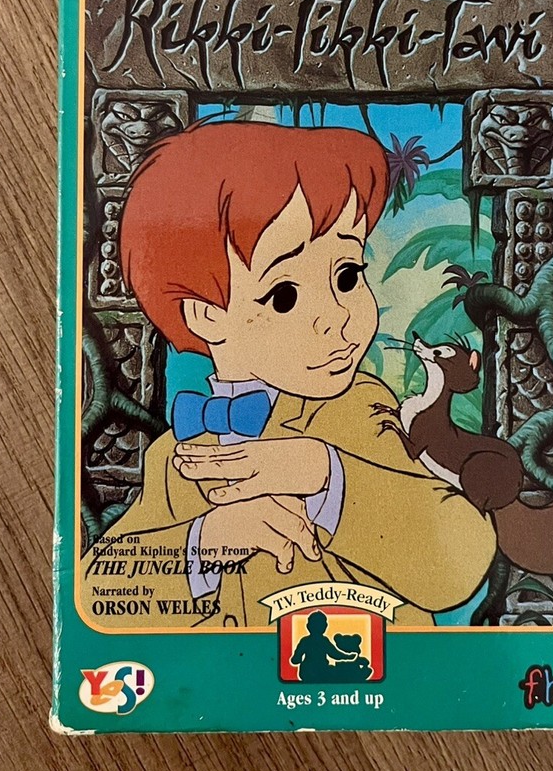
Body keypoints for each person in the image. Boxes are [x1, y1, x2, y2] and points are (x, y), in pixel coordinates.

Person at [80, 121, 497, 628]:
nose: (338, 316)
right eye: (284, 296)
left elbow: (461, 558)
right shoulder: (176, 457)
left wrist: (322, 474)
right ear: (205, 315)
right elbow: (97, 597)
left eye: (347, 276)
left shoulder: (360, 409)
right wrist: (206, 543)